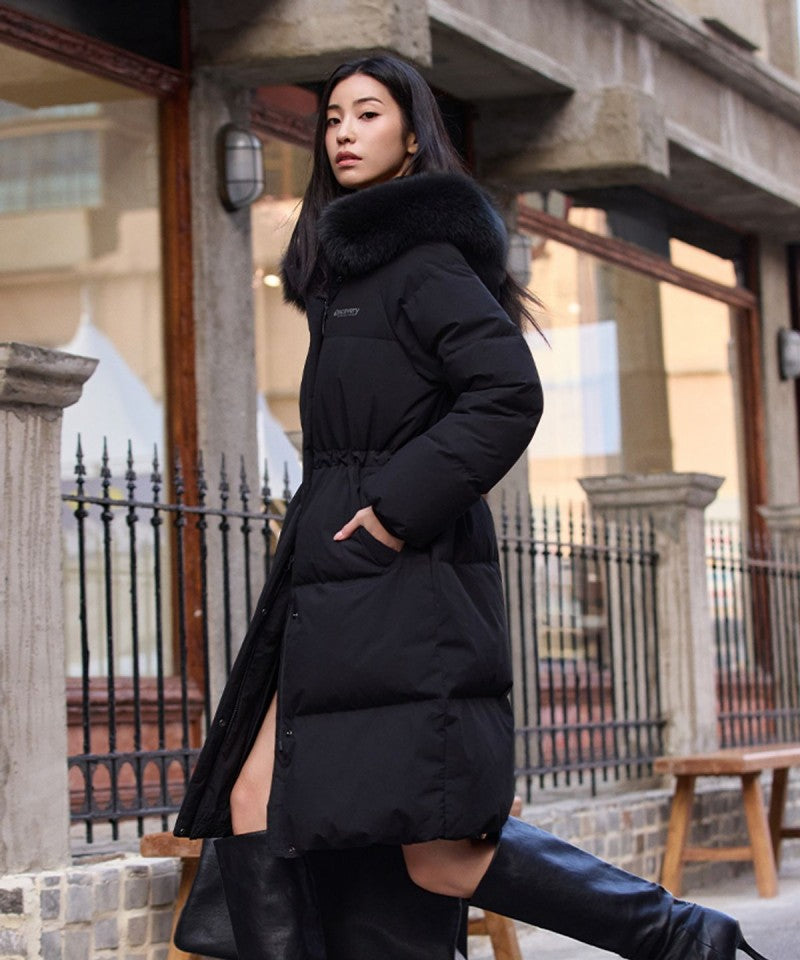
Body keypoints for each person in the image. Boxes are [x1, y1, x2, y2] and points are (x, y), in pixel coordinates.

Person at [174, 54, 770, 960]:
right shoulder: (348, 281)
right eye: (332, 117)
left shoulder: (421, 263)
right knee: (255, 800)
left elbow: (507, 394)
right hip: (333, 581)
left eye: (367, 114)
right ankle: (688, 939)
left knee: (441, 854)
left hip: (399, 584)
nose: (342, 133)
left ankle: (684, 937)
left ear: (413, 136)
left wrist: (391, 511)